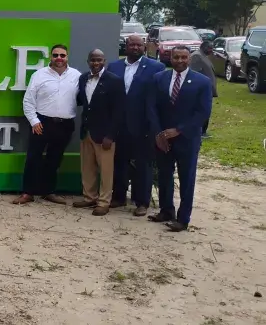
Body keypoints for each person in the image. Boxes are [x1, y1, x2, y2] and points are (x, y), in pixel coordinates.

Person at [147, 46, 213, 232]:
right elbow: (151, 107)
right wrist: (159, 133)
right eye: (176, 57)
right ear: (170, 58)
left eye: (184, 57)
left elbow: (203, 112)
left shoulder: (202, 82)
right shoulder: (159, 78)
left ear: (189, 59)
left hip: (187, 139)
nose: (180, 61)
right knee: (164, 175)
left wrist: (179, 130)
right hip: (163, 138)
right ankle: (166, 210)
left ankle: (183, 219)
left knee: (186, 178)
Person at [13, 44, 81, 205]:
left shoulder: (76, 76)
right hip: (42, 123)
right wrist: (34, 121)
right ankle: (28, 192)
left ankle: (48, 192)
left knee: (54, 159)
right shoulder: (39, 75)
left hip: (65, 125)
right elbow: (28, 100)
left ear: (67, 57)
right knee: (33, 158)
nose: (59, 58)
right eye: (55, 55)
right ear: (51, 56)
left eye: (62, 55)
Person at [106, 35, 166, 216]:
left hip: (143, 125)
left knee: (143, 164)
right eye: (132, 44)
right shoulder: (114, 66)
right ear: (126, 46)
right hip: (119, 125)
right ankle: (119, 197)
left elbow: (158, 98)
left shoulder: (156, 67)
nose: (135, 47)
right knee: (119, 162)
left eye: (139, 45)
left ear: (144, 47)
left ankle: (142, 202)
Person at [73, 49, 125, 216]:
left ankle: (103, 202)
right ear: (88, 61)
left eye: (99, 60)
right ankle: (89, 197)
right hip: (87, 131)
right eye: (93, 60)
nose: (96, 63)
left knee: (106, 170)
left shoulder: (114, 81)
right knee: (87, 167)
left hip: (104, 135)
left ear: (104, 61)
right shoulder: (83, 78)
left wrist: (111, 135)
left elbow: (119, 111)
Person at [188, 40, 218, 138]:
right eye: (210, 48)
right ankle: (200, 132)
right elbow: (194, 73)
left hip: (207, 89)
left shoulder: (203, 55)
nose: (211, 50)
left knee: (206, 109)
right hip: (201, 90)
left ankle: (203, 131)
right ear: (203, 47)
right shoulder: (196, 56)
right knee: (202, 110)